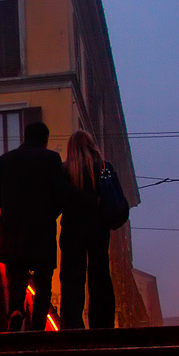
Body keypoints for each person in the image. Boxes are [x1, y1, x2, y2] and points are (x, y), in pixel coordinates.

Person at [0, 121, 64, 332]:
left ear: (24, 136)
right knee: (43, 280)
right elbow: (60, 195)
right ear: (45, 139)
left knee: (16, 276)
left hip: (13, 229)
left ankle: (16, 309)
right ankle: (38, 323)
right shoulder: (52, 159)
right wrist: (50, 213)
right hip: (42, 229)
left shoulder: (5, 160)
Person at [60, 130, 118, 329]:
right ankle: (102, 324)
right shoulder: (103, 168)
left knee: (72, 278)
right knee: (99, 275)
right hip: (98, 229)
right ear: (91, 145)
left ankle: (72, 324)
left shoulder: (65, 170)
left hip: (72, 230)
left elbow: (59, 201)